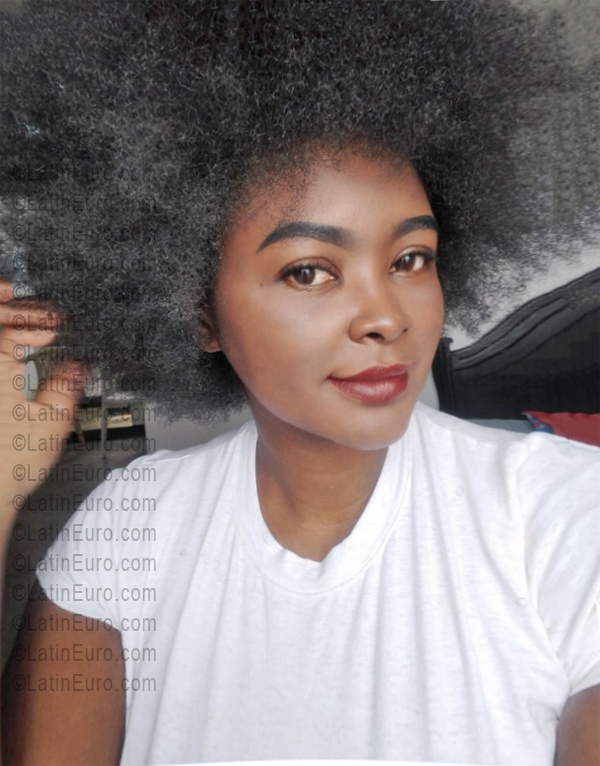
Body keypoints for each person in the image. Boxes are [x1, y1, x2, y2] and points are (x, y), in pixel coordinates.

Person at [0, 1, 599, 764]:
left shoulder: (560, 512)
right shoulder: (132, 524)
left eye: (410, 259)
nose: (386, 317)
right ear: (199, 315)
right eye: (309, 271)